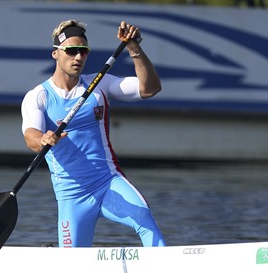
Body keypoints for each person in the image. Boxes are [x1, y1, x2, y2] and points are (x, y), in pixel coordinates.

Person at [21, 19, 166, 248]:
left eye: (83, 52)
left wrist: (134, 49)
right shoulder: (39, 96)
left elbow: (150, 88)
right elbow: (30, 135)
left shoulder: (100, 85)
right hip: (71, 197)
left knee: (145, 220)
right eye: (71, 51)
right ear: (56, 55)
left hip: (108, 183)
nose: (78, 57)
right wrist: (43, 139)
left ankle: (163, 268)